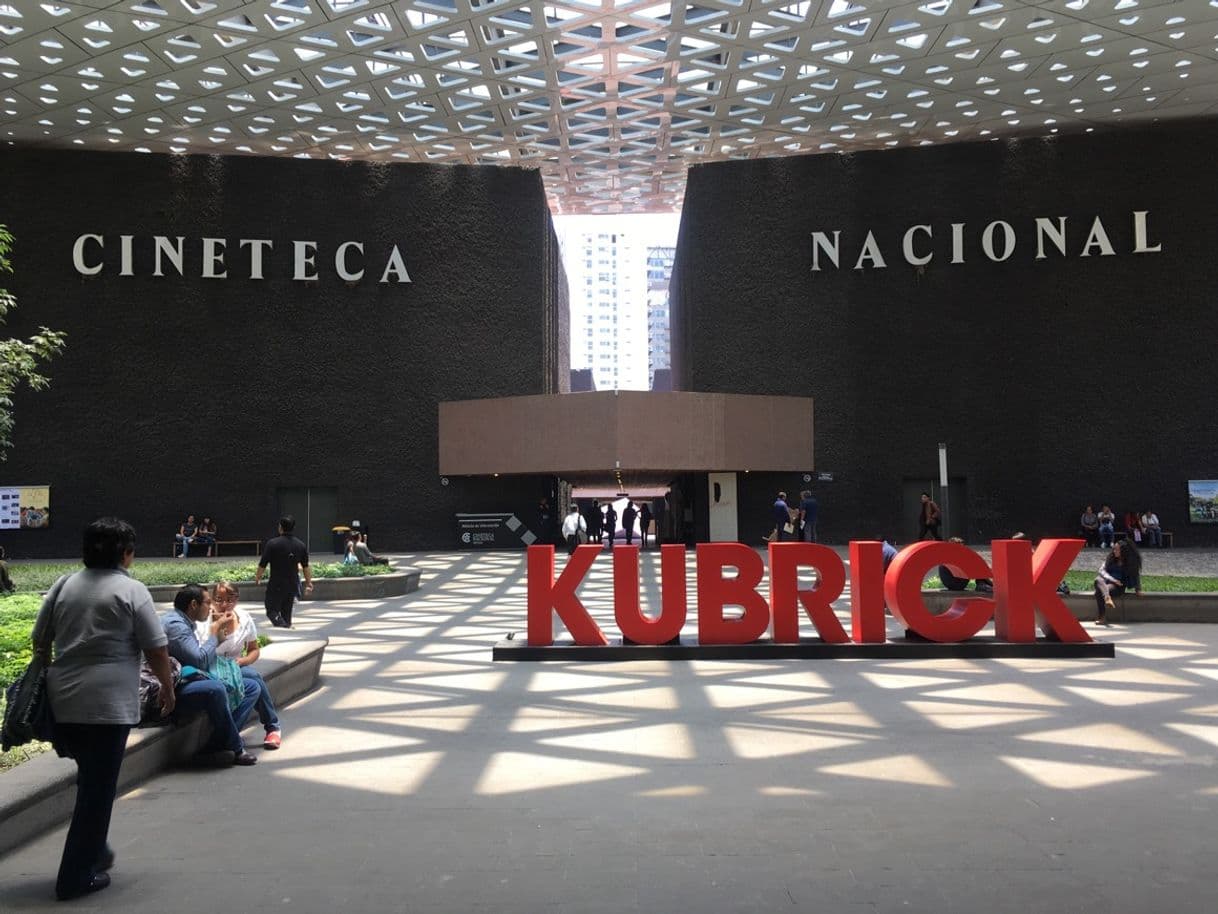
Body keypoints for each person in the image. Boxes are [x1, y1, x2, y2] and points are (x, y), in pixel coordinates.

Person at [31, 517, 176, 901]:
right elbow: (157, 648)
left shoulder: (63, 585)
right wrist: (167, 688)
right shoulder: (132, 590)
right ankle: (76, 877)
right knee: (97, 791)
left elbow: (39, 640)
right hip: (108, 706)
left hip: (64, 701)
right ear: (126, 554)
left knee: (91, 781)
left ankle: (95, 849)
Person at [163, 584, 260, 762]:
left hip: (187, 677)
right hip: (169, 688)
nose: (211, 607)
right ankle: (236, 748)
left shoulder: (185, 622)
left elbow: (200, 659)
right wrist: (214, 634)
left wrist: (218, 637)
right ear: (193, 604)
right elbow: (199, 660)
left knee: (252, 687)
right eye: (208, 602)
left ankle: (216, 744)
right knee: (215, 688)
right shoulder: (176, 626)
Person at [208, 581, 282, 749]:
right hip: (212, 667)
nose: (224, 604)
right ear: (212, 600)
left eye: (230, 599)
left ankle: (270, 728)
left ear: (237, 599)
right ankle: (272, 726)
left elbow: (254, 649)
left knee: (252, 678)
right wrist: (216, 627)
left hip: (236, 666)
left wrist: (243, 661)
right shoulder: (204, 620)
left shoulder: (244, 618)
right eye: (219, 599)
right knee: (253, 679)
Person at [255, 515, 312, 628]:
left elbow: (263, 563)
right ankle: (287, 625)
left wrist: (258, 577)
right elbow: (305, 566)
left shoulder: (272, 544)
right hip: (292, 583)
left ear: (280, 527)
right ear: (293, 528)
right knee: (287, 611)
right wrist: (309, 582)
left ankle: (283, 625)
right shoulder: (300, 545)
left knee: (271, 609)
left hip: (276, 583)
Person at [1094, 540, 1142, 626]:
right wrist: (1113, 579)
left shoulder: (1129, 563)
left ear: (1123, 551)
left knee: (1098, 591)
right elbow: (1101, 570)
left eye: (1117, 549)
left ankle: (1102, 617)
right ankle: (1107, 598)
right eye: (1114, 549)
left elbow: (1135, 574)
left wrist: (1138, 589)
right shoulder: (1111, 558)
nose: (1114, 551)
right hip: (1107, 582)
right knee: (1098, 579)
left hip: (1118, 586)